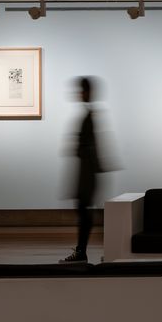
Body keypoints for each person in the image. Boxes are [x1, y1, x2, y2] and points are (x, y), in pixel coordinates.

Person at [61, 77, 107, 263]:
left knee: (84, 213)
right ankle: (81, 251)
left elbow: (88, 147)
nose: (79, 93)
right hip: (88, 173)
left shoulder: (89, 117)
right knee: (84, 213)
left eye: (81, 90)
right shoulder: (90, 116)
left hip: (87, 174)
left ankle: (81, 252)